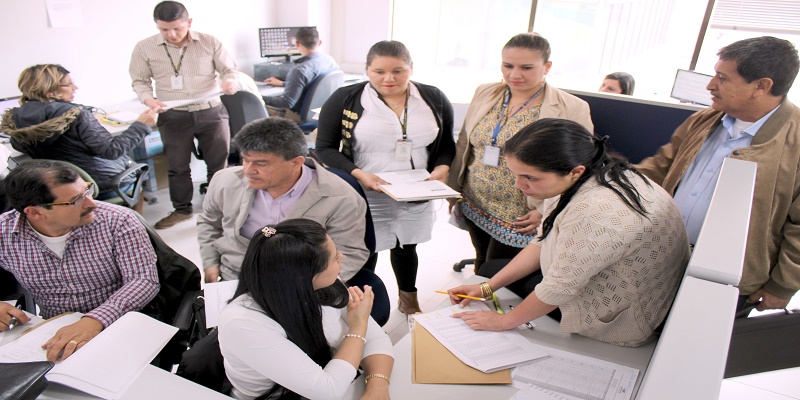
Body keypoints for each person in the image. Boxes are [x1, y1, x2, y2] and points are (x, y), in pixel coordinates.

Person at [448, 118, 689, 347]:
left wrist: (502, 322)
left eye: (530, 177)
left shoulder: (597, 212)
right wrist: (487, 288)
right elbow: (544, 239)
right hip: (609, 280)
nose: (518, 185)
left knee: (495, 270)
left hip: (623, 317)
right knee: (492, 272)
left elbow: (559, 288)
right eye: (516, 174)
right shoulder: (599, 174)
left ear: (575, 171)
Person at [636, 36, 800, 314]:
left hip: (727, 283)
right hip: (659, 259)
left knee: (693, 350)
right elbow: (657, 169)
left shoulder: (795, 141)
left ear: (762, 86)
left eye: (722, 78)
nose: (710, 85)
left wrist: (782, 286)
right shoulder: (705, 120)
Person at [197, 117, 390, 325]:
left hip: (305, 287)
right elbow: (209, 222)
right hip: (236, 277)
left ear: (296, 162)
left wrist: (302, 287)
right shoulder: (224, 181)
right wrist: (210, 263)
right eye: (245, 160)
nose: (248, 170)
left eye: (261, 163)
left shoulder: (341, 197)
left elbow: (350, 252)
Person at [315, 40, 455, 314]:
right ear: (367, 70)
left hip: (416, 191)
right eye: (379, 71)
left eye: (398, 71)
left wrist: (443, 169)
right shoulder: (346, 98)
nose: (388, 78)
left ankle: (409, 301)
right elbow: (325, 148)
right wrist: (359, 174)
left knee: (406, 246)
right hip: (365, 190)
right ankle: (362, 307)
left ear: (411, 69)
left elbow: (447, 144)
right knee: (366, 251)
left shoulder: (433, 98)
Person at [446, 33, 593, 274]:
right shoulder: (486, 92)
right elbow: (465, 143)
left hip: (521, 213)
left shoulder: (571, 107)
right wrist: (453, 189)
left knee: (497, 272)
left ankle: (486, 307)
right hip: (476, 199)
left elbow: (578, 167)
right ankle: (474, 305)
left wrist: (545, 211)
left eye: (526, 67)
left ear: (547, 67)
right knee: (482, 259)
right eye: (508, 66)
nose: (514, 74)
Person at [0, 161, 159, 361]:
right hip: (54, 328)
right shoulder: (4, 233)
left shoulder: (118, 220)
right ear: (35, 213)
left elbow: (143, 280)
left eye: (87, 190)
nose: (91, 203)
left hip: (122, 321)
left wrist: (94, 320)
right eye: (76, 200)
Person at [218, 218, 393, 400]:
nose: (341, 257)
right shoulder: (244, 323)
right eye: (334, 258)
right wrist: (358, 325)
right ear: (304, 276)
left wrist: (377, 385)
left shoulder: (324, 285)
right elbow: (327, 391)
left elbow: (376, 338)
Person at [130, 1, 238, 229]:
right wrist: (148, 99)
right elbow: (139, 81)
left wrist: (229, 81)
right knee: (177, 166)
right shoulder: (144, 47)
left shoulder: (209, 42)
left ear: (189, 22)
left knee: (218, 164)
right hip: (173, 115)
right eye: (164, 29)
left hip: (211, 111)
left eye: (177, 28)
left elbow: (230, 69)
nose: (171, 34)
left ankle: (219, 210)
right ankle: (182, 210)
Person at [0, 64, 157, 203]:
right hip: (101, 183)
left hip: (60, 184)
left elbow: (19, 145)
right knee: (136, 167)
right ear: (50, 92)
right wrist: (141, 125)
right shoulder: (76, 114)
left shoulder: (14, 119)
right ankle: (135, 226)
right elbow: (112, 151)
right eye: (69, 84)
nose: (75, 88)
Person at [263, 27, 339, 123]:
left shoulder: (299, 71)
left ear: (297, 44)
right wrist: (282, 83)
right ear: (320, 42)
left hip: (298, 116)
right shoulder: (329, 60)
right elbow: (313, 87)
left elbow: (287, 103)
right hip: (319, 112)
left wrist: (259, 97)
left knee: (258, 106)